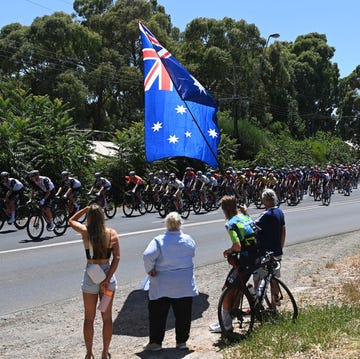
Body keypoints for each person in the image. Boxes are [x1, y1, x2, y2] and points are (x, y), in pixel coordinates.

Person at [69, 204, 120, 359]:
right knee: (107, 318)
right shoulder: (111, 233)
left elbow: (71, 220)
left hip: (91, 275)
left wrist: (86, 209)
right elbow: (116, 258)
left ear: (90, 218)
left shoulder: (86, 232)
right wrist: (107, 278)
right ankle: (105, 353)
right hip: (107, 276)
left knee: (89, 318)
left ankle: (89, 353)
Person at [142, 212, 198, 352]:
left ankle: (155, 343)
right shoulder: (188, 239)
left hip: (162, 283)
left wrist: (150, 270)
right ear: (180, 223)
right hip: (183, 283)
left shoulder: (158, 240)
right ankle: (181, 342)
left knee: (158, 314)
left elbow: (147, 255)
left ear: (166, 224)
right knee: (183, 314)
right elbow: (192, 253)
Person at [209, 195, 258, 333]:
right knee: (238, 286)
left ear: (224, 210)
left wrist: (228, 250)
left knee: (227, 288)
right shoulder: (246, 217)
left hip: (246, 260)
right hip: (257, 257)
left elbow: (237, 246)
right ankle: (249, 298)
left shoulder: (231, 224)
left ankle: (226, 325)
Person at [253, 188, 286, 307]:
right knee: (274, 277)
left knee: (259, 277)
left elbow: (251, 226)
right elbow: (283, 231)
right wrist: (280, 247)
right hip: (277, 251)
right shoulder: (280, 212)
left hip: (265, 251)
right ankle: (274, 304)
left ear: (265, 200)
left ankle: (257, 305)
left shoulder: (265, 215)